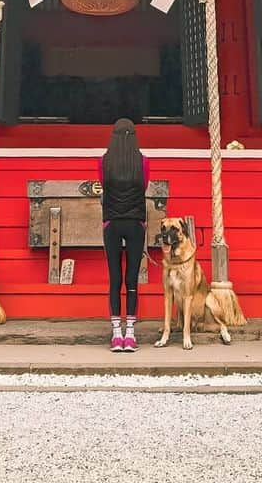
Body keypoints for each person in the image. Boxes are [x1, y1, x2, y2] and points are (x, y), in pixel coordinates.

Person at [98, 118, 150, 352]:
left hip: (112, 223)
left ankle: (115, 334)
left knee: (114, 277)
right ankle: (131, 334)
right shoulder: (143, 162)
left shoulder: (103, 162)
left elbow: (103, 186)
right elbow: (144, 186)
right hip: (135, 223)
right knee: (132, 279)